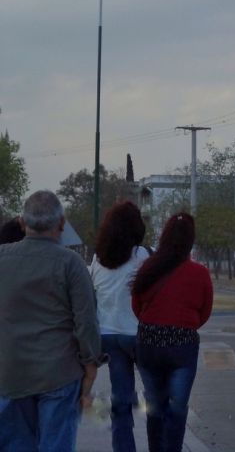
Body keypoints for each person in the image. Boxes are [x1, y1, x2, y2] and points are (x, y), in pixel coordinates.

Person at [0, 190, 103, 451]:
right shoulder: (72, 264)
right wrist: (90, 368)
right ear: (61, 223)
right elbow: (87, 322)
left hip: (9, 374)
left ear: (22, 223)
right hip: (58, 375)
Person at [131, 212, 213, 452]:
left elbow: (137, 306)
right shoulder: (200, 273)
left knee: (155, 406)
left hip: (148, 344)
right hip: (182, 347)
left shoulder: (148, 268)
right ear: (190, 240)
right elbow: (204, 312)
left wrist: (156, 324)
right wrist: (183, 324)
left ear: (165, 237)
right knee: (177, 408)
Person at [90, 200, 150, 452]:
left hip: (107, 335)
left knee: (120, 402)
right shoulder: (142, 255)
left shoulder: (97, 259)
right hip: (136, 333)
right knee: (156, 394)